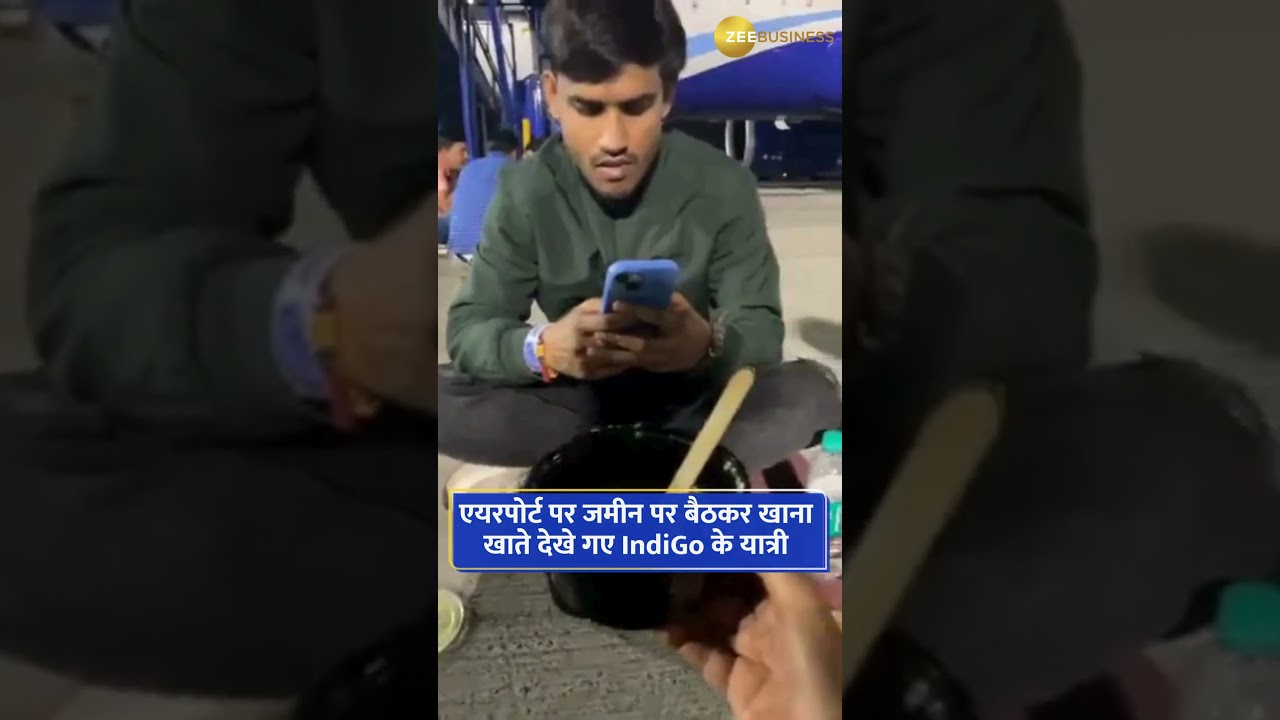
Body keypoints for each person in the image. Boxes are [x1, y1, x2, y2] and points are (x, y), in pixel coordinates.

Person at [0, 0, 1273, 718]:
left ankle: (877, 671)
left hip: (831, 468)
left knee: (1175, 446)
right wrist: (330, 320)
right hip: (447, 469)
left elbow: (1021, 271)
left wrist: (862, 282)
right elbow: (99, 264)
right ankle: (481, 662)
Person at [436, 0, 842, 482]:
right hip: (575, 404)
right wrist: (543, 348)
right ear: (551, 94)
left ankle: (614, 470)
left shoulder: (724, 185)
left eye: (635, 107)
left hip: (694, 400)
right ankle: (679, 472)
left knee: (810, 390)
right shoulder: (525, 191)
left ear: (667, 95)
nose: (613, 139)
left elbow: (760, 329)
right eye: (588, 108)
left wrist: (705, 347)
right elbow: (471, 328)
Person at [444, 129, 521, 262]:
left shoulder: (468, 168)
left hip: (458, 252)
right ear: (514, 152)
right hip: (488, 256)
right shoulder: (512, 169)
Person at [438, 133, 468, 254]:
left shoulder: (451, 174)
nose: (466, 156)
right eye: (462, 151)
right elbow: (446, 207)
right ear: (444, 152)